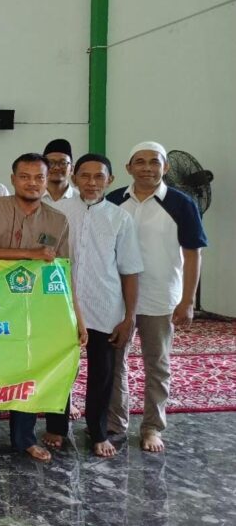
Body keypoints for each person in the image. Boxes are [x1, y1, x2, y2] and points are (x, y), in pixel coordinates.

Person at [0, 152, 86, 464]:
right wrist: (30, 254)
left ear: (47, 182)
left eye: (39, 178)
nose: (32, 183)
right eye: (25, 176)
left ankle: (24, 438)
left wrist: (77, 317)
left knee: (28, 371)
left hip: (36, 311)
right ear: (13, 178)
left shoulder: (57, 220)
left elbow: (62, 273)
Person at [106, 141, 207, 453]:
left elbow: (193, 254)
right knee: (115, 363)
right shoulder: (113, 200)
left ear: (164, 167)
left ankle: (152, 427)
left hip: (160, 298)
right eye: (140, 161)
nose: (147, 167)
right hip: (117, 299)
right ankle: (114, 424)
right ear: (128, 167)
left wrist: (187, 300)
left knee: (157, 364)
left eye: (154, 162)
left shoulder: (181, 203)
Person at [51, 153, 143, 457]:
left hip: (105, 306)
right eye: (85, 176)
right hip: (60, 306)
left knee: (102, 373)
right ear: (74, 177)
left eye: (98, 177)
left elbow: (130, 270)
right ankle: (56, 426)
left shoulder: (120, 219)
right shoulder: (57, 211)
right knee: (60, 369)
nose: (91, 183)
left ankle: (99, 431)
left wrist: (129, 316)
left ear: (110, 181)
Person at [42, 138, 76, 203]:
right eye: (51, 163)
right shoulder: (31, 198)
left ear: (72, 168)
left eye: (63, 163)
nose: (56, 168)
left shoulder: (81, 199)